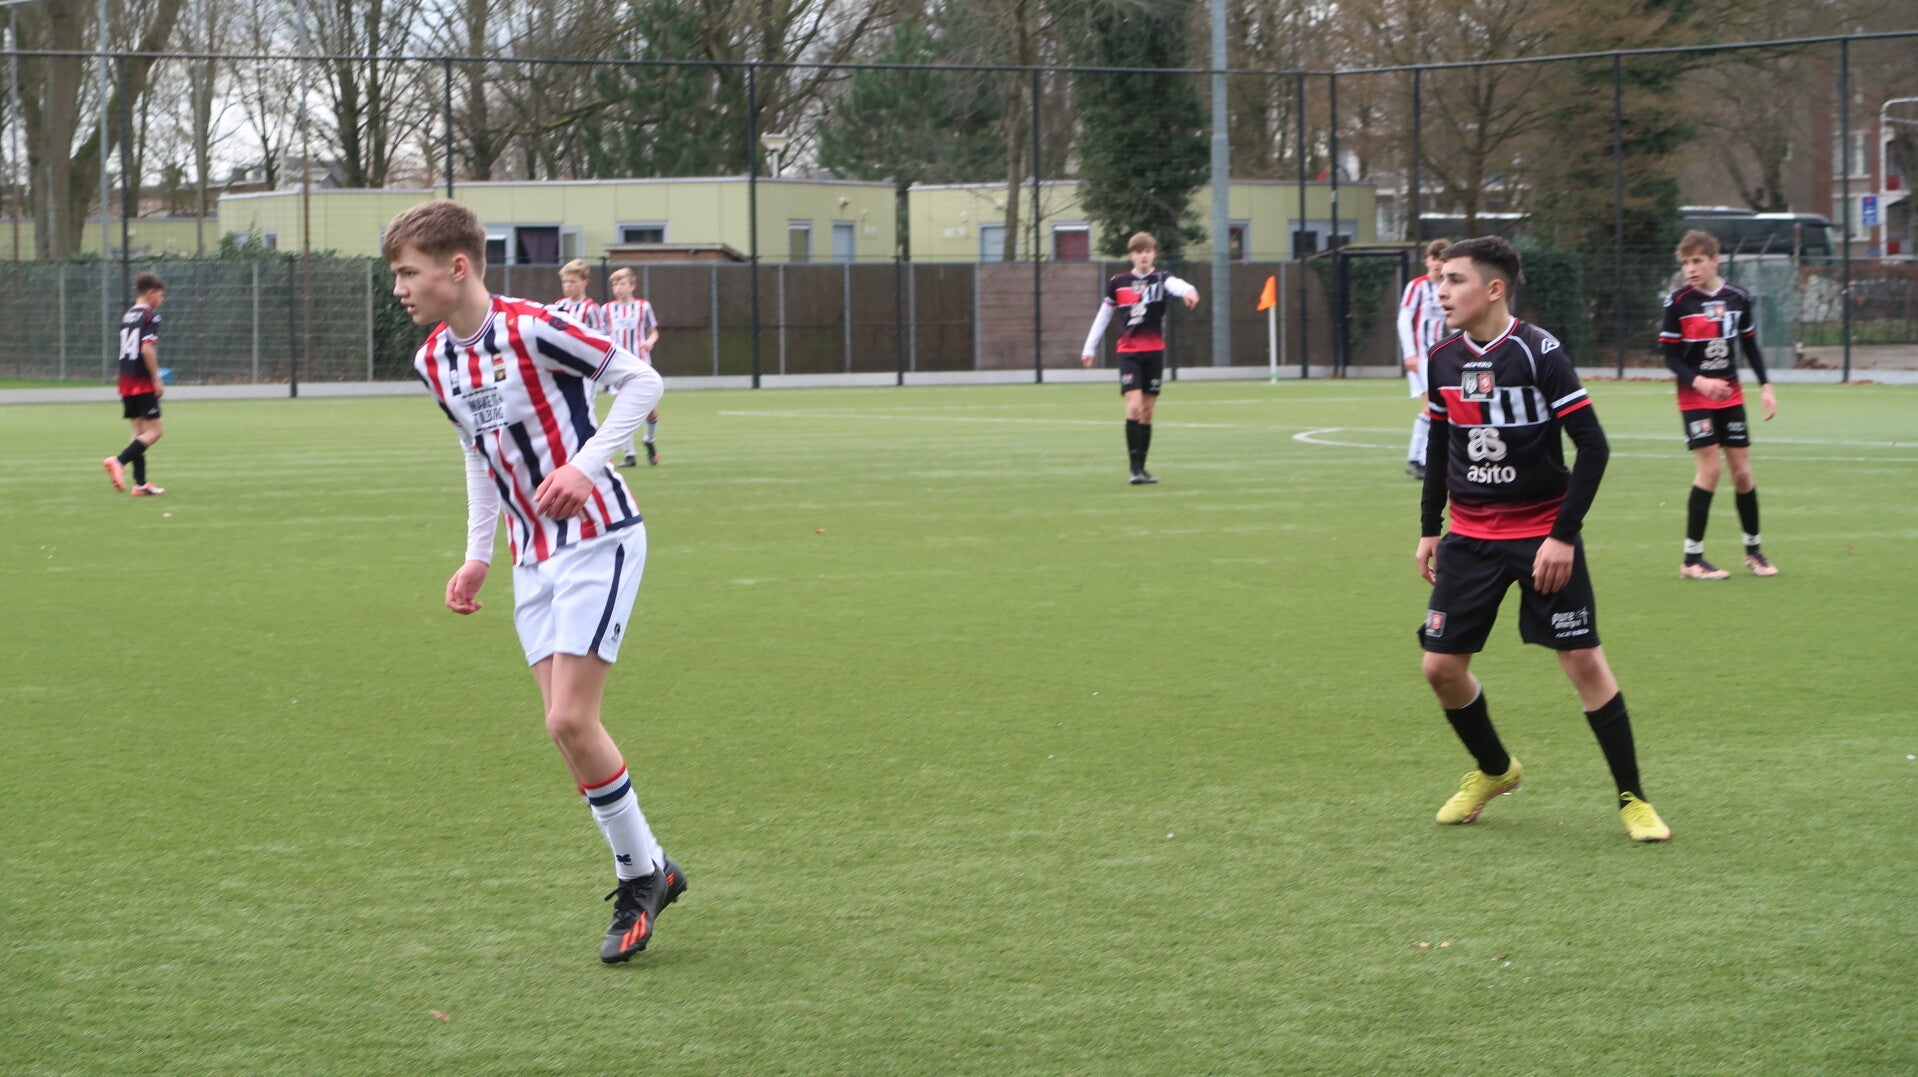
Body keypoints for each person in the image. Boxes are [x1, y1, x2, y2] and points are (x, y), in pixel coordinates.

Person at [383, 200, 686, 962]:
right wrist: (477, 552)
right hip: (532, 556)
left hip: (599, 538)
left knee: (571, 720)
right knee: (563, 728)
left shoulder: (534, 327)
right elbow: (478, 452)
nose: (399, 288)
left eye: (408, 273)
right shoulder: (433, 361)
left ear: (457, 268)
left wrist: (585, 467)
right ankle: (653, 864)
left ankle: (640, 877)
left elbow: (642, 380)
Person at [1414, 236, 1670, 843]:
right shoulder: (1442, 358)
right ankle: (1495, 770)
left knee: (1583, 661)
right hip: (1468, 537)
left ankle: (1633, 799)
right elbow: (1440, 446)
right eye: (1440, 280)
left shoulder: (1539, 353)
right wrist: (1430, 528)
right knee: (1440, 668)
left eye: (1454, 280)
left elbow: (1594, 448)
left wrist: (1562, 536)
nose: (1441, 291)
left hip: (1540, 537)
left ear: (1493, 288)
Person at [1660, 229, 1778, 580]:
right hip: (1694, 397)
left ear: (1715, 260)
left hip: (1731, 396)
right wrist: (1700, 382)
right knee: (1710, 470)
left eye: (1697, 261)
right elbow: (1669, 356)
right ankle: (1692, 559)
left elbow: (1750, 345)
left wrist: (1766, 386)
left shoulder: (1738, 297)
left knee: (1742, 473)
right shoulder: (1678, 302)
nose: (1690, 269)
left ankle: (1753, 552)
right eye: (1685, 263)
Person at [1078, 232, 1201, 485]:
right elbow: (1103, 316)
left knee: (1147, 411)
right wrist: (1089, 347)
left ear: (1154, 254)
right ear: (1131, 255)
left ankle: (1143, 469)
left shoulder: (1162, 278)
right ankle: (1134, 470)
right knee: (1134, 407)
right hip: (1129, 352)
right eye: (1139, 251)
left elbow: (1178, 285)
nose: (1144, 255)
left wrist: (1190, 291)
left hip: (1154, 352)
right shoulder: (1119, 282)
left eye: (1148, 251)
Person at [102, 273, 169, 497]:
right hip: (142, 380)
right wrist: (156, 378)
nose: (161, 300)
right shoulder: (151, 316)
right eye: (160, 295)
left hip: (125, 379)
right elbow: (146, 349)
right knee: (155, 432)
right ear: (150, 293)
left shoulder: (128, 314)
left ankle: (140, 485)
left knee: (138, 431)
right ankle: (118, 461)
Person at [1396, 239, 1451, 479]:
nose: (1438, 263)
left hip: (1437, 358)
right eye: (1434, 258)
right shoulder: (1417, 286)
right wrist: (1409, 353)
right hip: (1420, 358)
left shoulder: (1447, 289)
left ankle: (1420, 459)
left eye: (1442, 259)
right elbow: (1404, 319)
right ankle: (1418, 459)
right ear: (1427, 260)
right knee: (1431, 407)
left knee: (1436, 407)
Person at [602, 267, 661, 467]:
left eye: (622, 284)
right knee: (623, 410)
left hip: (641, 363)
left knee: (651, 410)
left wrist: (650, 341)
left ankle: (649, 440)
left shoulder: (643, 307)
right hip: (618, 365)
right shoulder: (607, 309)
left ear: (632, 286)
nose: (618, 288)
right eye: (615, 284)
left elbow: (653, 331)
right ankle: (630, 455)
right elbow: (602, 334)